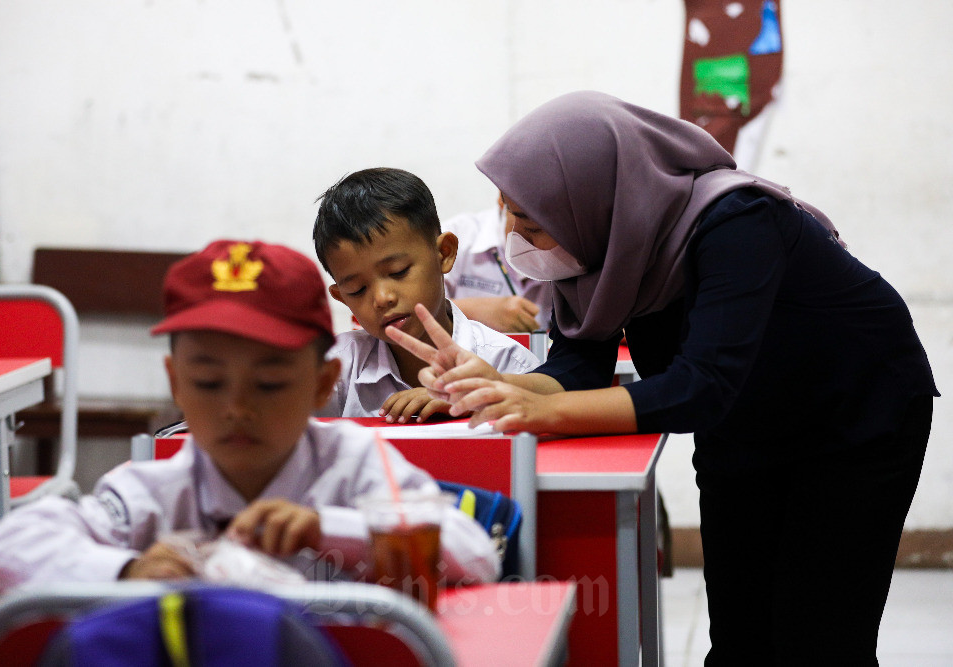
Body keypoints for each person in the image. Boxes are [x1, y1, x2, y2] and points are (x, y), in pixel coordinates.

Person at [386, 92, 938, 664]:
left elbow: (702, 384)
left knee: (818, 642)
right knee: (740, 641)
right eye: (510, 216)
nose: (518, 240)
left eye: (530, 224)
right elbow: (577, 370)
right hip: (745, 422)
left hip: (854, 415)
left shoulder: (738, 221)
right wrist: (495, 387)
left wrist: (543, 411)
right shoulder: (602, 246)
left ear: (592, 196)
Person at [0, 239, 499, 593]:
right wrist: (126, 569)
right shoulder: (150, 490)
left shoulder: (357, 465)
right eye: (207, 382)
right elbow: (0, 549)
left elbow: (474, 554)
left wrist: (329, 529)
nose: (237, 408)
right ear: (176, 383)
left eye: (269, 383)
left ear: (322, 385)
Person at [312, 167, 539, 423]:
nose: (382, 297)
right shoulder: (336, 370)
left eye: (398, 272)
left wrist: (474, 400)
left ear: (444, 253)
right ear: (342, 297)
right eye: (357, 290)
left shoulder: (508, 362)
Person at [443, 195, 554, 332]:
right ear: (502, 199)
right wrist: (473, 312)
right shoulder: (457, 236)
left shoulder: (575, 247)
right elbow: (418, 308)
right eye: (531, 228)